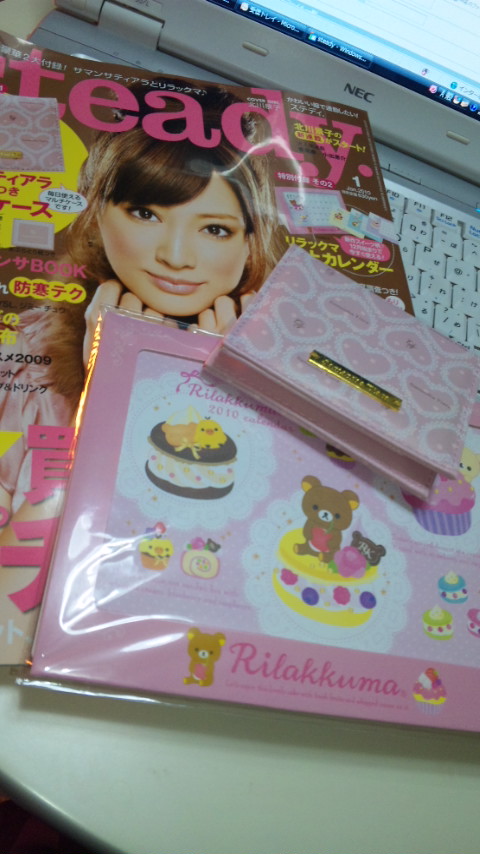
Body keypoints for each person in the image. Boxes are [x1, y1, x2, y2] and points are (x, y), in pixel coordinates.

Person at [68, 88, 287, 356]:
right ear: (96, 213)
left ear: (250, 243)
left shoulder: (298, 358)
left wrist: (231, 370)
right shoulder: (30, 352)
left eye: (215, 229)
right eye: (146, 215)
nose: (175, 258)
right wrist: (104, 362)